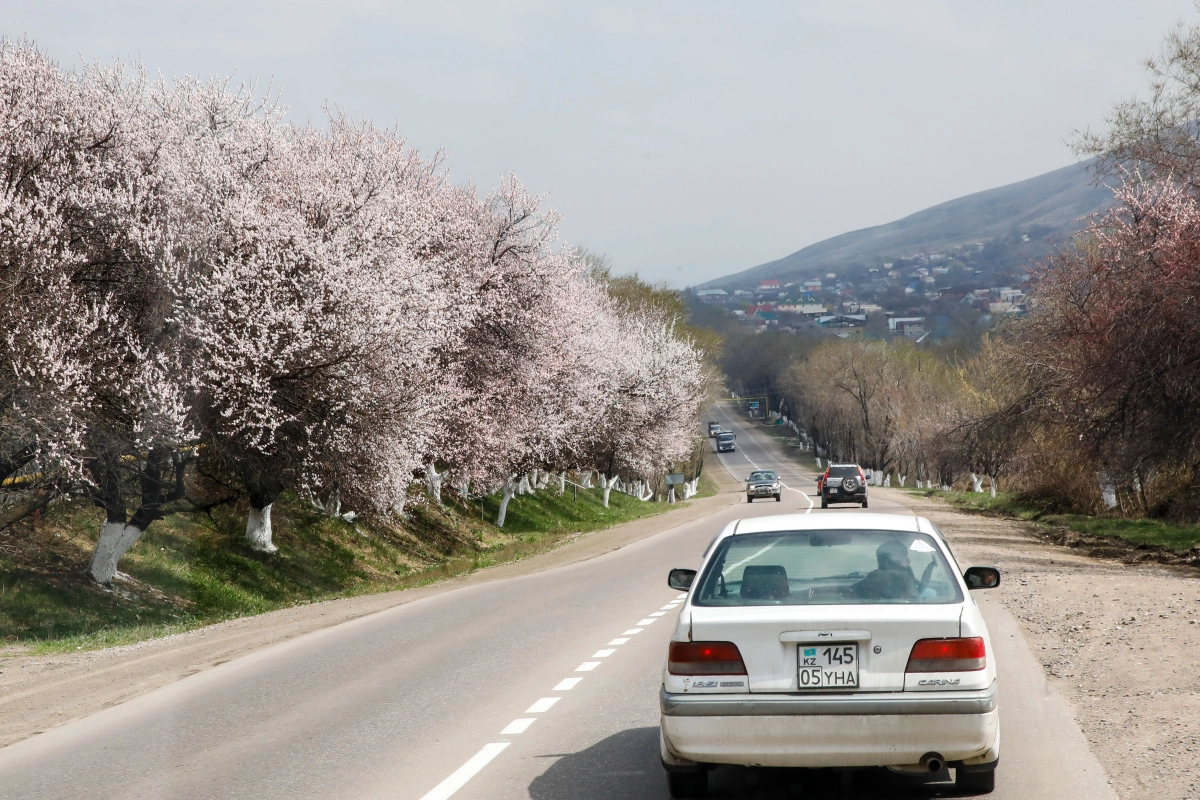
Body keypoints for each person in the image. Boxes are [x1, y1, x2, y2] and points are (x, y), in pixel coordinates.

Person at [852, 539, 933, 600]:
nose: (891, 570)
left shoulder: (868, 583)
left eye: (895, 564)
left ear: (879, 563)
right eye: (887, 563)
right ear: (908, 562)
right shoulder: (930, 597)